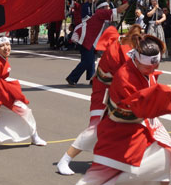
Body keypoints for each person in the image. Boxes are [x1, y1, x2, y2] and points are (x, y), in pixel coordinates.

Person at [50, 34, 171, 185]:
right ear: (136, 57)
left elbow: (151, 95)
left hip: (143, 125)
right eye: (149, 65)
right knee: (100, 173)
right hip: (120, 130)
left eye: (156, 65)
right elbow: (141, 105)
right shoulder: (125, 76)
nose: (153, 68)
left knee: (169, 155)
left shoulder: (143, 69)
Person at [57, 24, 140, 175]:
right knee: (95, 129)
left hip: (118, 94)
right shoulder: (116, 53)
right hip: (104, 94)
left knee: (129, 129)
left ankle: (114, 161)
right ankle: (65, 159)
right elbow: (122, 80)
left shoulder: (129, 51)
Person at [65, 0, 129, 86]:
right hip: (86, 40)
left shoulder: (100, 14)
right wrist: (128, 3)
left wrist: (126, 4)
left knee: (90, 60)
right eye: (107, 7)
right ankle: (72, 77)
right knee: (87, 61)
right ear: (102, 7)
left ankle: (92, 79)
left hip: (88, 40)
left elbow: (116, 14)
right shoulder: (100, 13)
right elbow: (118, 10)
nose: (108, 8)